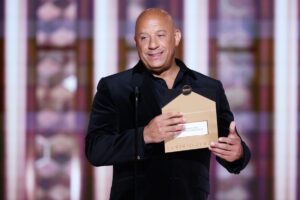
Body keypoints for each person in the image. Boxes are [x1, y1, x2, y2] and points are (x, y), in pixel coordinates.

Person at [85, 8, 251, 200]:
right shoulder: (115, 88)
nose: (152, 45)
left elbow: (229, 144)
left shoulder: (208, 88)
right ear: (135, 42)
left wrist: (238, 153)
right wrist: (144, 136)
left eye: (160, 35)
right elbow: (95, 150)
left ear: (176, 36)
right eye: (144, 38)